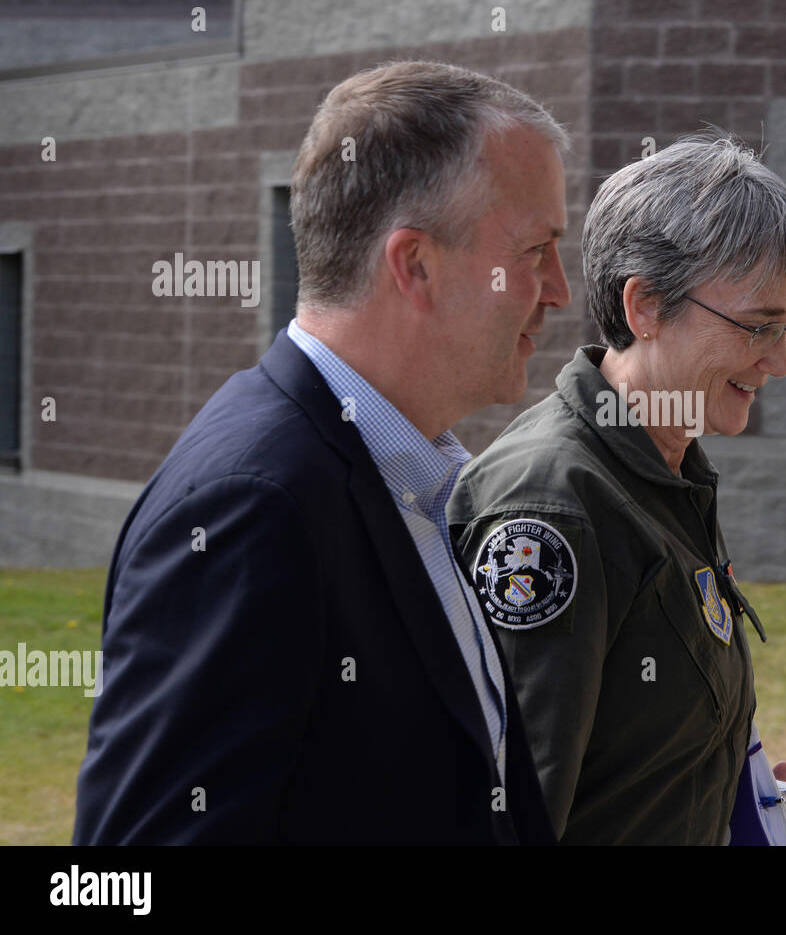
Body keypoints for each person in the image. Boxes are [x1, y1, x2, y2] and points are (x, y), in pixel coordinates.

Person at [74, 61, 571, 844]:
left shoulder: (414, 475)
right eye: (539, 249)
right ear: (415, 265)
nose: (560, 290)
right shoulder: (250, 506)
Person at [448, 132, 786, 844]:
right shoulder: (554, 506)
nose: (779, 362)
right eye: (757, 327)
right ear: (645, 304)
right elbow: (515, 821)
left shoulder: (662, 466)